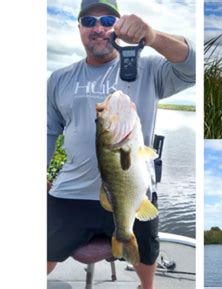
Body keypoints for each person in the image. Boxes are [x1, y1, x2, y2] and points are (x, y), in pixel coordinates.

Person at [47, 1, 195, 288]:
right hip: (71, 192)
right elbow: (47, 131)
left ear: (117, 25)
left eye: (106, 20)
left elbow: (191, 68)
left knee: (146, 251)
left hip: (134, 193)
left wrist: (152, 37)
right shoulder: (59, 78)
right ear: (79, 28)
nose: (98, 28)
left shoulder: (150, 68)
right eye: (88, 22)